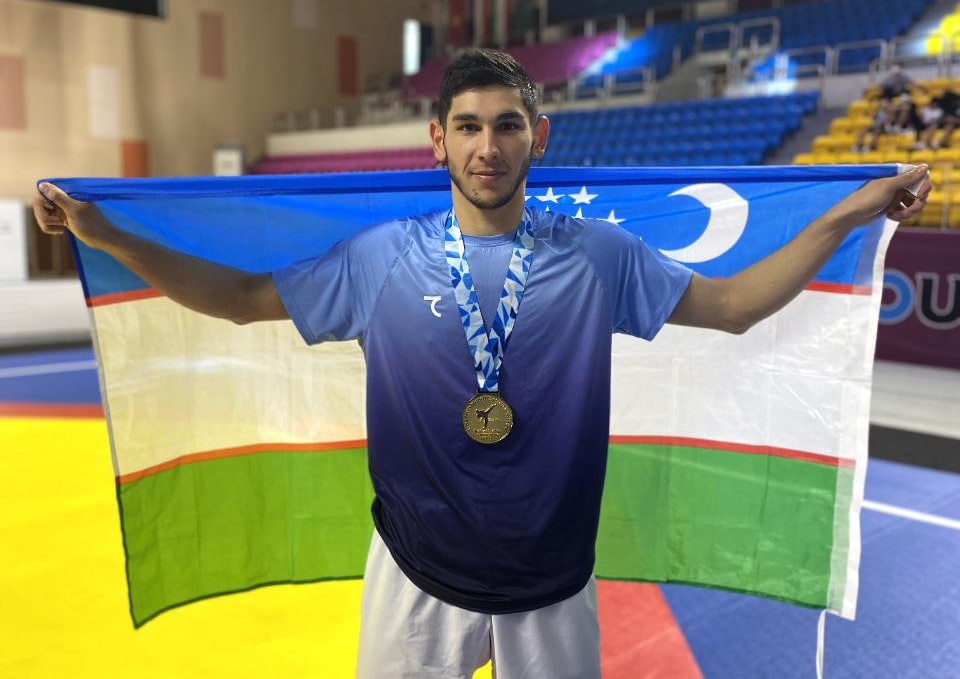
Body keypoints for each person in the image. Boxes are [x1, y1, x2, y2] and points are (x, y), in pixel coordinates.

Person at [34, 49, 929, 679]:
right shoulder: (382, 258)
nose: (487, 147)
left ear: (539, 136)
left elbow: (733, 307)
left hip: (554, 580)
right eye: (467, 127)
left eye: (506, 126)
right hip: (413, 574)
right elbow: (239, 296)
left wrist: (846, 215)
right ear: (437, 138)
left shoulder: (598, 255)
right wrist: (105, 234)